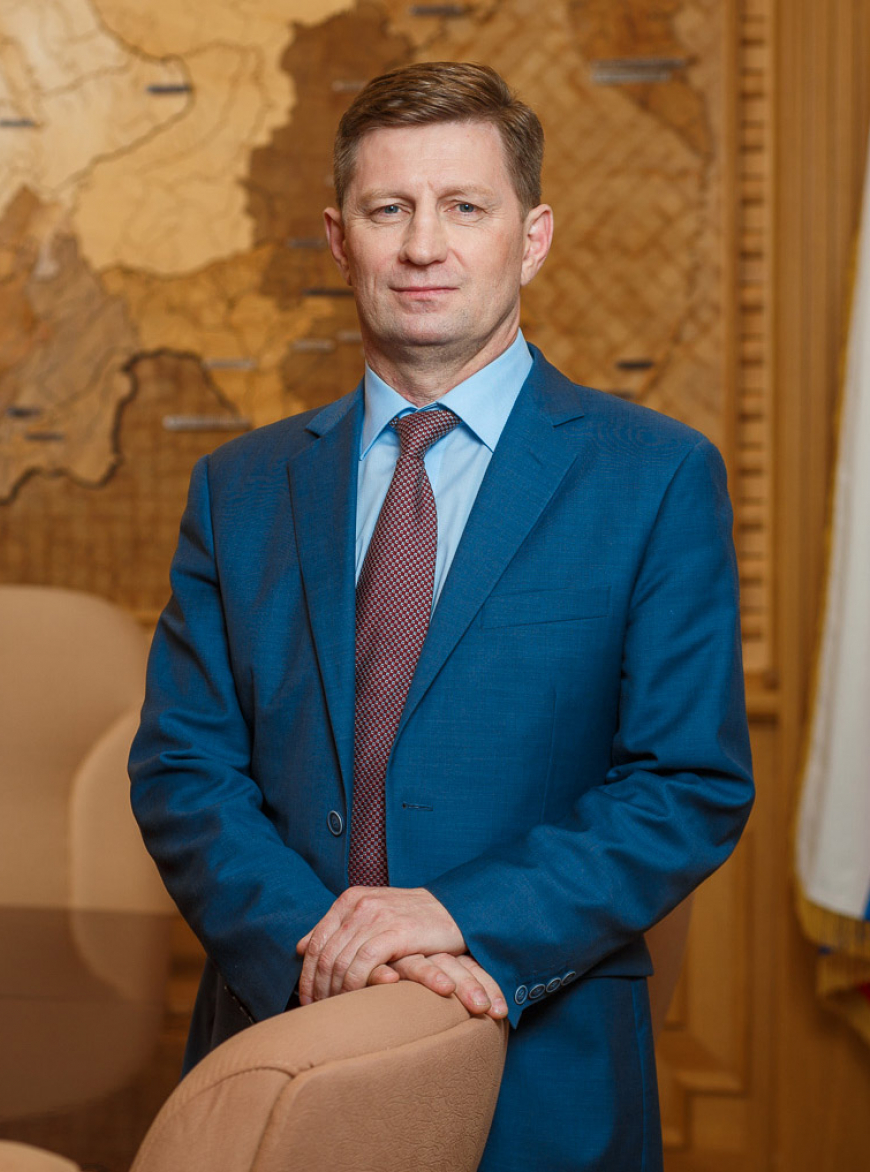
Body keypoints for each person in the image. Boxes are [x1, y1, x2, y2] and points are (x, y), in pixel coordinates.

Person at [129, 61, 754, 1172]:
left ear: (532, 237)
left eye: (465, 206)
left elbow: (686, 784)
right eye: (389, 209)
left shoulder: (654, 477)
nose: (425, 245)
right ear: (340, 240)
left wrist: (454, 916)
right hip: (275, 1052)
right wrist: (328, 953)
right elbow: (184, 771)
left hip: (538, 1070)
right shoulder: (239, 489)